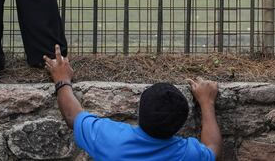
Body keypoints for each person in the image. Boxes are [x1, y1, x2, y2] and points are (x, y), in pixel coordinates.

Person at [44, 45, 222, 160]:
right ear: (180, 124)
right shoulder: (186, 154)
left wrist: (61, 79)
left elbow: (73, 117)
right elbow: (212, 148)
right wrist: (207, 103)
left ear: (138, 110)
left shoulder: (111, 140)